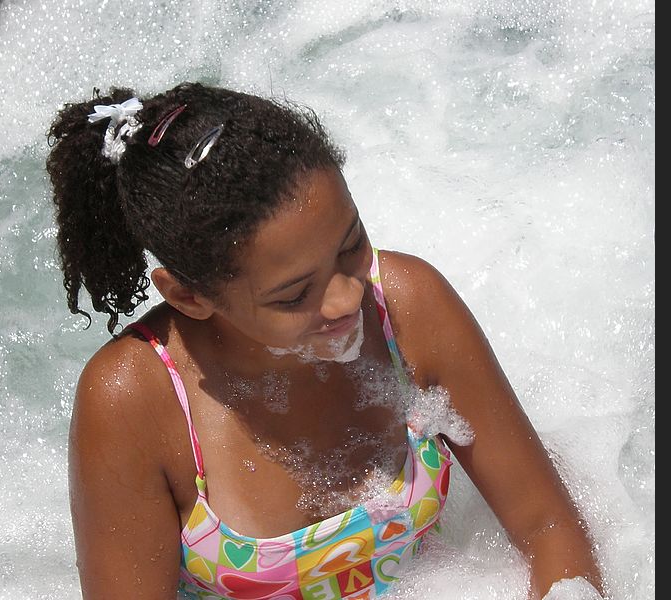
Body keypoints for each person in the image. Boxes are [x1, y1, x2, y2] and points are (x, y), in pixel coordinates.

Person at [46, 82, 603, 599]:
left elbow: (546, 527)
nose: (345, 299)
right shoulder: (134, 399)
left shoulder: (408, 307)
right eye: (293, 295)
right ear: (190, 297)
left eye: (351, 245)